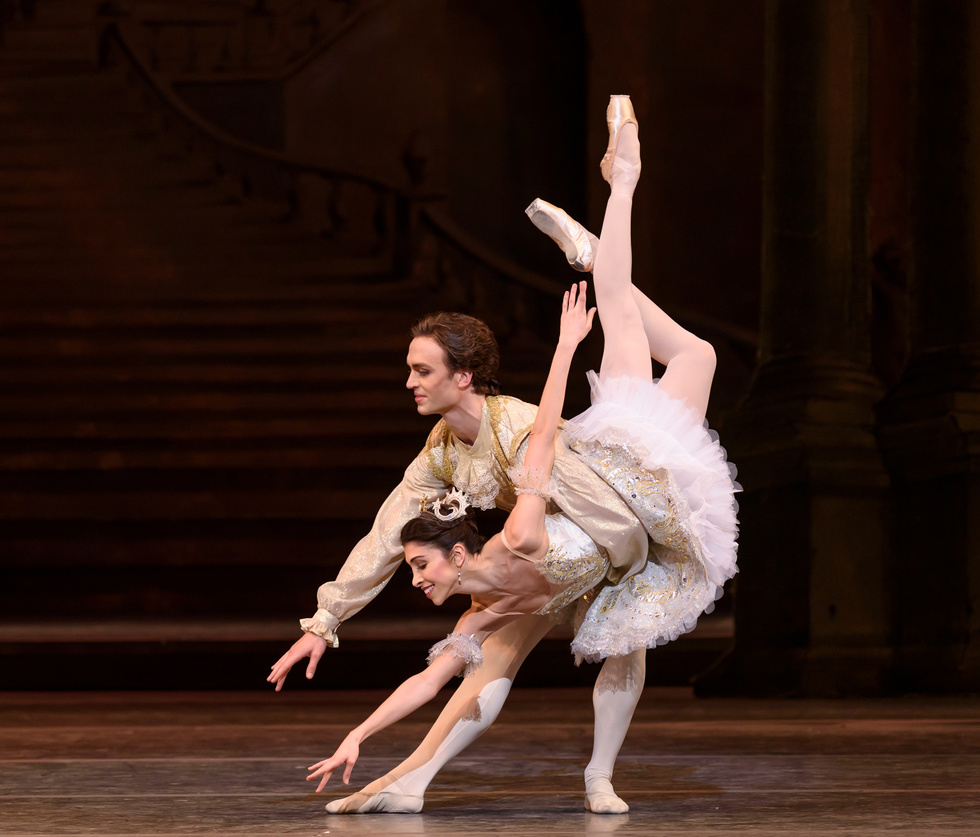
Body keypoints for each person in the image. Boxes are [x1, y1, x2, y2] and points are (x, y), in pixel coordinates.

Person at [295, 95, 739, 814]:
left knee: (628, 317)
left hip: (624, 472)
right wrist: (333, 643)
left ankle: (620, 188)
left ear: (461, 375)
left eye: (421, 371)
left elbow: (541, 446)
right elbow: (392, 559)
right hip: (610, 537)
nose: (416, 582)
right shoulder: (471, 555)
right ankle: (414, 781)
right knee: (696, 349)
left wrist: (566, 349)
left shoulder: (517, 490)